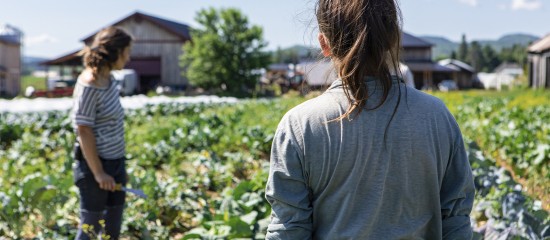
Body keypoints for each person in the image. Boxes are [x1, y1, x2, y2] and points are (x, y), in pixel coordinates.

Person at [265, 0, 475, 239]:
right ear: (393, 39)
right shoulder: (437, 116)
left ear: (324, 43)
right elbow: (456, 221)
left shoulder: (300, 125)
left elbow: (289, 229)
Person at [71, 26, 132, 240]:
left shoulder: (110, 80)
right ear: (116, 52)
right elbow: (83, 129)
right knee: (91, 227)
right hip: (94, 167)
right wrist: (99, 173)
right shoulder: (89, 84)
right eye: (127, 51)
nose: (128, 57)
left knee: (112, 227)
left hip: (115, 163)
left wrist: (118, 168)